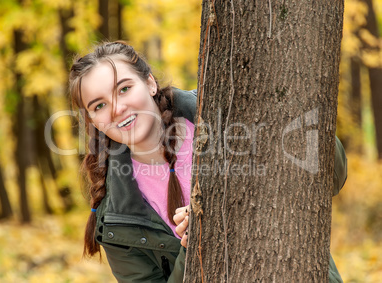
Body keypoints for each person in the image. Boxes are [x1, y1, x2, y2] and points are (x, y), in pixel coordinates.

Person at [69, 41, 347, 283]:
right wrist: (193, 245)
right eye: (99, 105)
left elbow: (330, 181)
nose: (117, 108)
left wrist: (285, 106)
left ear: (150, 83)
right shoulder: (116, 217)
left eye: (124, 89)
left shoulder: (226, 112)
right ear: (93, 120)